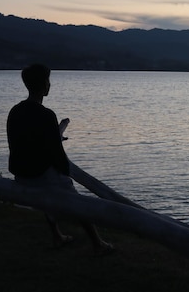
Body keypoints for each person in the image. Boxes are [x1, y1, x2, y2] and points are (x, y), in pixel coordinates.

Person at [7, 63, 113, 253]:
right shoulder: (46, 115)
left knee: (48, 190)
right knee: (76, 200)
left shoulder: (15, 111)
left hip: (21, 174)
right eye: (48, 80)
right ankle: (98, 243)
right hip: (39, 174)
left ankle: (57, 235)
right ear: (43, 84)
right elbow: (56, 153)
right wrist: (66, 173)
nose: (50, 84)